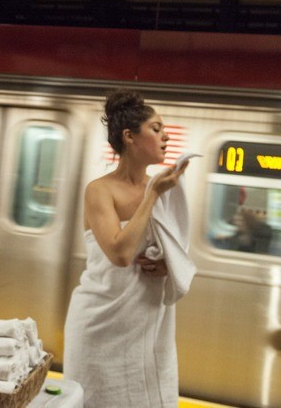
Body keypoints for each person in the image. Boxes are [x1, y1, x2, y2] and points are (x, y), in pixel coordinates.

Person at [63, 89, 192, 406]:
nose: (165, 137)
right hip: (101, 327)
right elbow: (120, 254)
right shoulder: (100, 190)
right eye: (156, 129)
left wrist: (169, 265)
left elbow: (178, 251)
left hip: (149, 328)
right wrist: (152, 195)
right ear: (129, 136)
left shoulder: (166, 188)